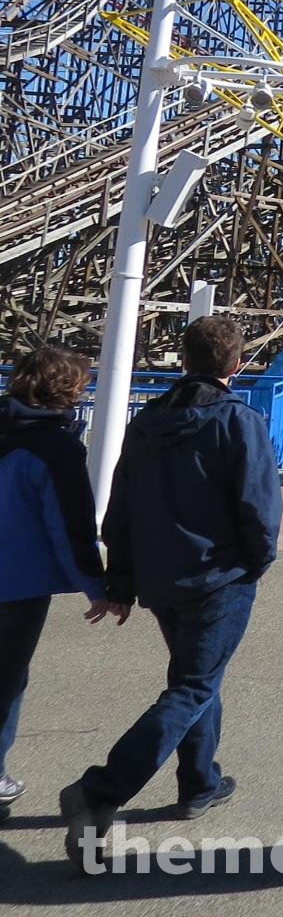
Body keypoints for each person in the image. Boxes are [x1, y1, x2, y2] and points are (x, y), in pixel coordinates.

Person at [61, 315, 283, 873]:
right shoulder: (238, 420)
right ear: (236, 364)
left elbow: (121, 503)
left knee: (195, 676)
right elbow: (259, 505)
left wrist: (122, 578)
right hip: (219, 576)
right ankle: (101, 790)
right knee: (192, 685)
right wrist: (257, 562)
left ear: (184, 360)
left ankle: (199, 783)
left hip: (161, 578)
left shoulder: (147, 421)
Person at [1, 346, 111, 822]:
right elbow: (68, 527)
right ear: (67, 390)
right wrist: (95, 585)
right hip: (15, 584)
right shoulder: (55, 447)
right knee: (7, 679)